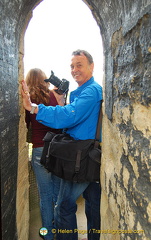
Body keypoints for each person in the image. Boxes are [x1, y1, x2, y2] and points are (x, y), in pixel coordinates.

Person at [21, 50, 103, 240]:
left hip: (81, 157)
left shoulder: (91, 91)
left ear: (92, 66)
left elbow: (68, 116)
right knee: (92, 203)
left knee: (64, 207)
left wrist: (33, 107)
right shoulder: (80, 92)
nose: (74, 70)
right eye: (72, 66)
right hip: (84, 155)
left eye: (79, 65)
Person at [24, 68, 64, 240]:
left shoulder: (28, 100)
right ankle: (59, 226)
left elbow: (26, 124)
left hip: (40, 149)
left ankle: (47, 233)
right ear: (44, 79)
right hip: (57, 149)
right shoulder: (54, 96)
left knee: (45, 195)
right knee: (57, 192)